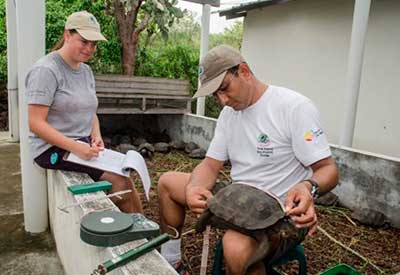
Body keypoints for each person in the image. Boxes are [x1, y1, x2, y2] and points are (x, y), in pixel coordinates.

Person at [158, 45, 338, 275]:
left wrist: (307, 187)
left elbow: (328, 169)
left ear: (243, 71)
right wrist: (195, 187)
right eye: (215, 95)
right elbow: (210, 165)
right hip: (239, 200)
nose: (222, 100)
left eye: (224, 88)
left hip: (281, 212)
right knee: (167, 183)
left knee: (234, 247)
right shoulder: (229, 114)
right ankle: (172, 261)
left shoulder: (294, 107)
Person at [26, 11, 143, 213]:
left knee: (126, 176)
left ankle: (145, 234)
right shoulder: (46, 70)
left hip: (80, 143)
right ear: (67, 35)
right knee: (120, 183)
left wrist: (95, 136)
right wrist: (76, 147)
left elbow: (90, 110)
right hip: (51, 149)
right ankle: (136, 237)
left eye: (94, 44)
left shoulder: (85, 71)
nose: (89, 48)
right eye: (84, 41)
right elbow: (36, 123)